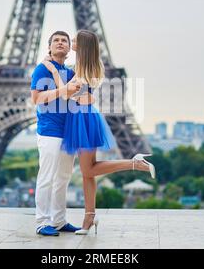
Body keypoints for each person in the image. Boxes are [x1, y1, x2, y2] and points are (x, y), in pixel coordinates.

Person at [42, 29, 155, 235]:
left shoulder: (83, 69)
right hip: (82, 117)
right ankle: (89, 218)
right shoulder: (88, 66)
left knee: (88, 171)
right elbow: (82, 95)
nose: (71, 42)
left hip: (82, 119)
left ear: (83, 45)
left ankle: (134, 163)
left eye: (74, 40)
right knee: (88, 174)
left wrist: (52, 69)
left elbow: (67, 94)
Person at [30, 31, 83, 236]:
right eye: (56, 41)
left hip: (67, 131)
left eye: (64, 41)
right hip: (50, 131)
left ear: (70, 48)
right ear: (49, 47)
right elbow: (36, 98)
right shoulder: (41, 69)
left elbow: (76, 90)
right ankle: (42, 222)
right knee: (47, 177)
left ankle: (59, 220)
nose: (60, 43)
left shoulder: (68, 73)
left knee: (63, 178)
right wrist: (62, 88)